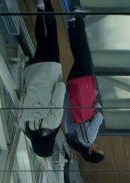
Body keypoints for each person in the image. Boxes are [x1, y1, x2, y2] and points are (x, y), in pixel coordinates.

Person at [18, 3, 65, 159]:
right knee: (40, 41)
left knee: (52, 35)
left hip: (50, 71)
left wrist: (62, 84)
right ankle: (39, 9)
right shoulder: (24, 125)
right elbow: (22, 98)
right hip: (33, 73)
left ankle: (47, 3)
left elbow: (59, 94)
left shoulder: (52, 124)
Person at [63, 12, 105, 163]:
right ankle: (72, 24)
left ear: (91, 151)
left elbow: (99, 117)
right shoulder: (71, 138)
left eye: (98, 148)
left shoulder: (88, 139)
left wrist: (98, 107)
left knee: (85, 52)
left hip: (83, 88)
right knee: (79, 55)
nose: (98, 145)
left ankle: (78, 18)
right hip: (72, 88)